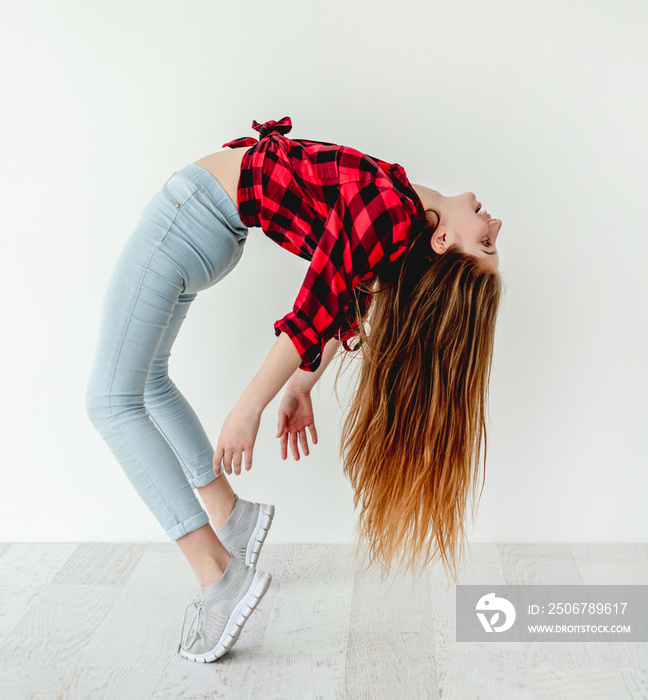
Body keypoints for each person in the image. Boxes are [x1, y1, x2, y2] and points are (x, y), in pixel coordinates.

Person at [85, 116, 503, 663]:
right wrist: (304, 385)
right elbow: (351, 296)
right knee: (151, 383)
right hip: (210, 229)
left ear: (444, 240)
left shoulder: (390, 210)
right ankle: (231, 516)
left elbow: (317, 307)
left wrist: (248, 407)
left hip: (189, 219)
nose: (495, 222)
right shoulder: (399, 215)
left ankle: (216, 575)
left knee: (110, 403)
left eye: (488, 241)